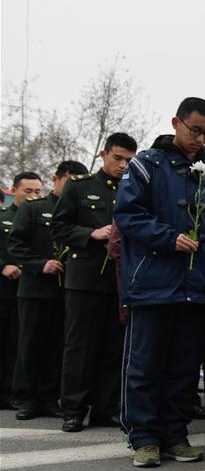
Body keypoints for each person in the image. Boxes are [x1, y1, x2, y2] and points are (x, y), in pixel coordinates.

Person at [115, 97, 205, 467]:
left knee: (183, 365)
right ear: (176, 122)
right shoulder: (146, 165)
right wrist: (168, 237)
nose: (200, 138)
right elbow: (128, 215)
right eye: (195, 129)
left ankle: (175, 434)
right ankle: (144, 437)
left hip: (195, 286)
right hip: (152, 283)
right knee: (145, 363)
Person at [52, 133, 137, 432]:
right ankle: (73, 409)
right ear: (103, 154)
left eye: (129, 160)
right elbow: (59, 227)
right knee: (79, 345)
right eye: (118, 158)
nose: (123, 165)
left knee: (114, 345)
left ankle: (106, 407)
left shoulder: (135, 188)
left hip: (120, 280)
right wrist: (91, 234)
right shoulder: (79, 186)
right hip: (85, 278)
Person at [9, 161, 88, 420]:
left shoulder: (78, 210)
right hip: (34, 288)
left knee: (58, 346)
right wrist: (40, 264)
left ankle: (49, 396)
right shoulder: (35, 208)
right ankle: (26, 398)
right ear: (56, 179)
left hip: (66, 289)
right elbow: (16, 244)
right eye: (69, 181)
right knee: (29, 345)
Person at [0, 172, 42, 409]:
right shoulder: (3, 218)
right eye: (28, 191)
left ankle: (12, 392)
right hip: (3, 290)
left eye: (37, 192)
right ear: (14, 190)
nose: (33, 196)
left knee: (17, 345)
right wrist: (3, 265)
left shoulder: (41, 220)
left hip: (27, 292)